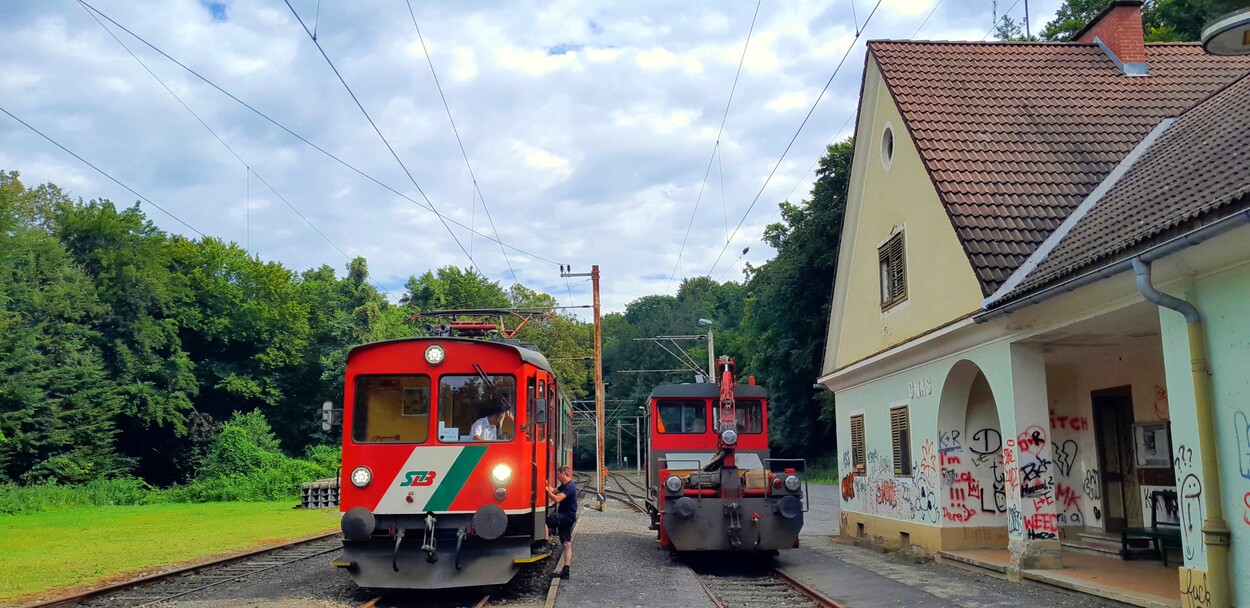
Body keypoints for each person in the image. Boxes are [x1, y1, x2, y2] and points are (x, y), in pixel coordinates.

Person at [545, 465, 577, 580]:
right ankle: (566, 571)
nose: (557, 476)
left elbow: (557, 499)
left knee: (546, 521)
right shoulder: (564, 485)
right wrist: (547, 486)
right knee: (566, 543)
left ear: (563, 474)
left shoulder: (570, 486)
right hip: (567, 516)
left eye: (558, 474)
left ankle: (544, 544)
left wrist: (547, 492)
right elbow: (554, 490)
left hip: (566, 516)